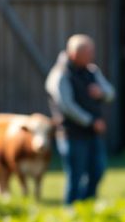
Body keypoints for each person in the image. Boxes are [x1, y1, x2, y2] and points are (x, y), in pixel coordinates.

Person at [45, 34, 115, 205]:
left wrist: (101, 93)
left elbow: (111, 93)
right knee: (75, 177)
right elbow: (67, 106)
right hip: (72, 135)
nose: (92, 56)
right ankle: (71, 212)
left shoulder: (92, 71)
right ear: (74, 53)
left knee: (97, 171)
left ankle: (86, 206)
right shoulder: (60, 75)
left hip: (92, 134)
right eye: (88, 53)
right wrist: (91, 121)